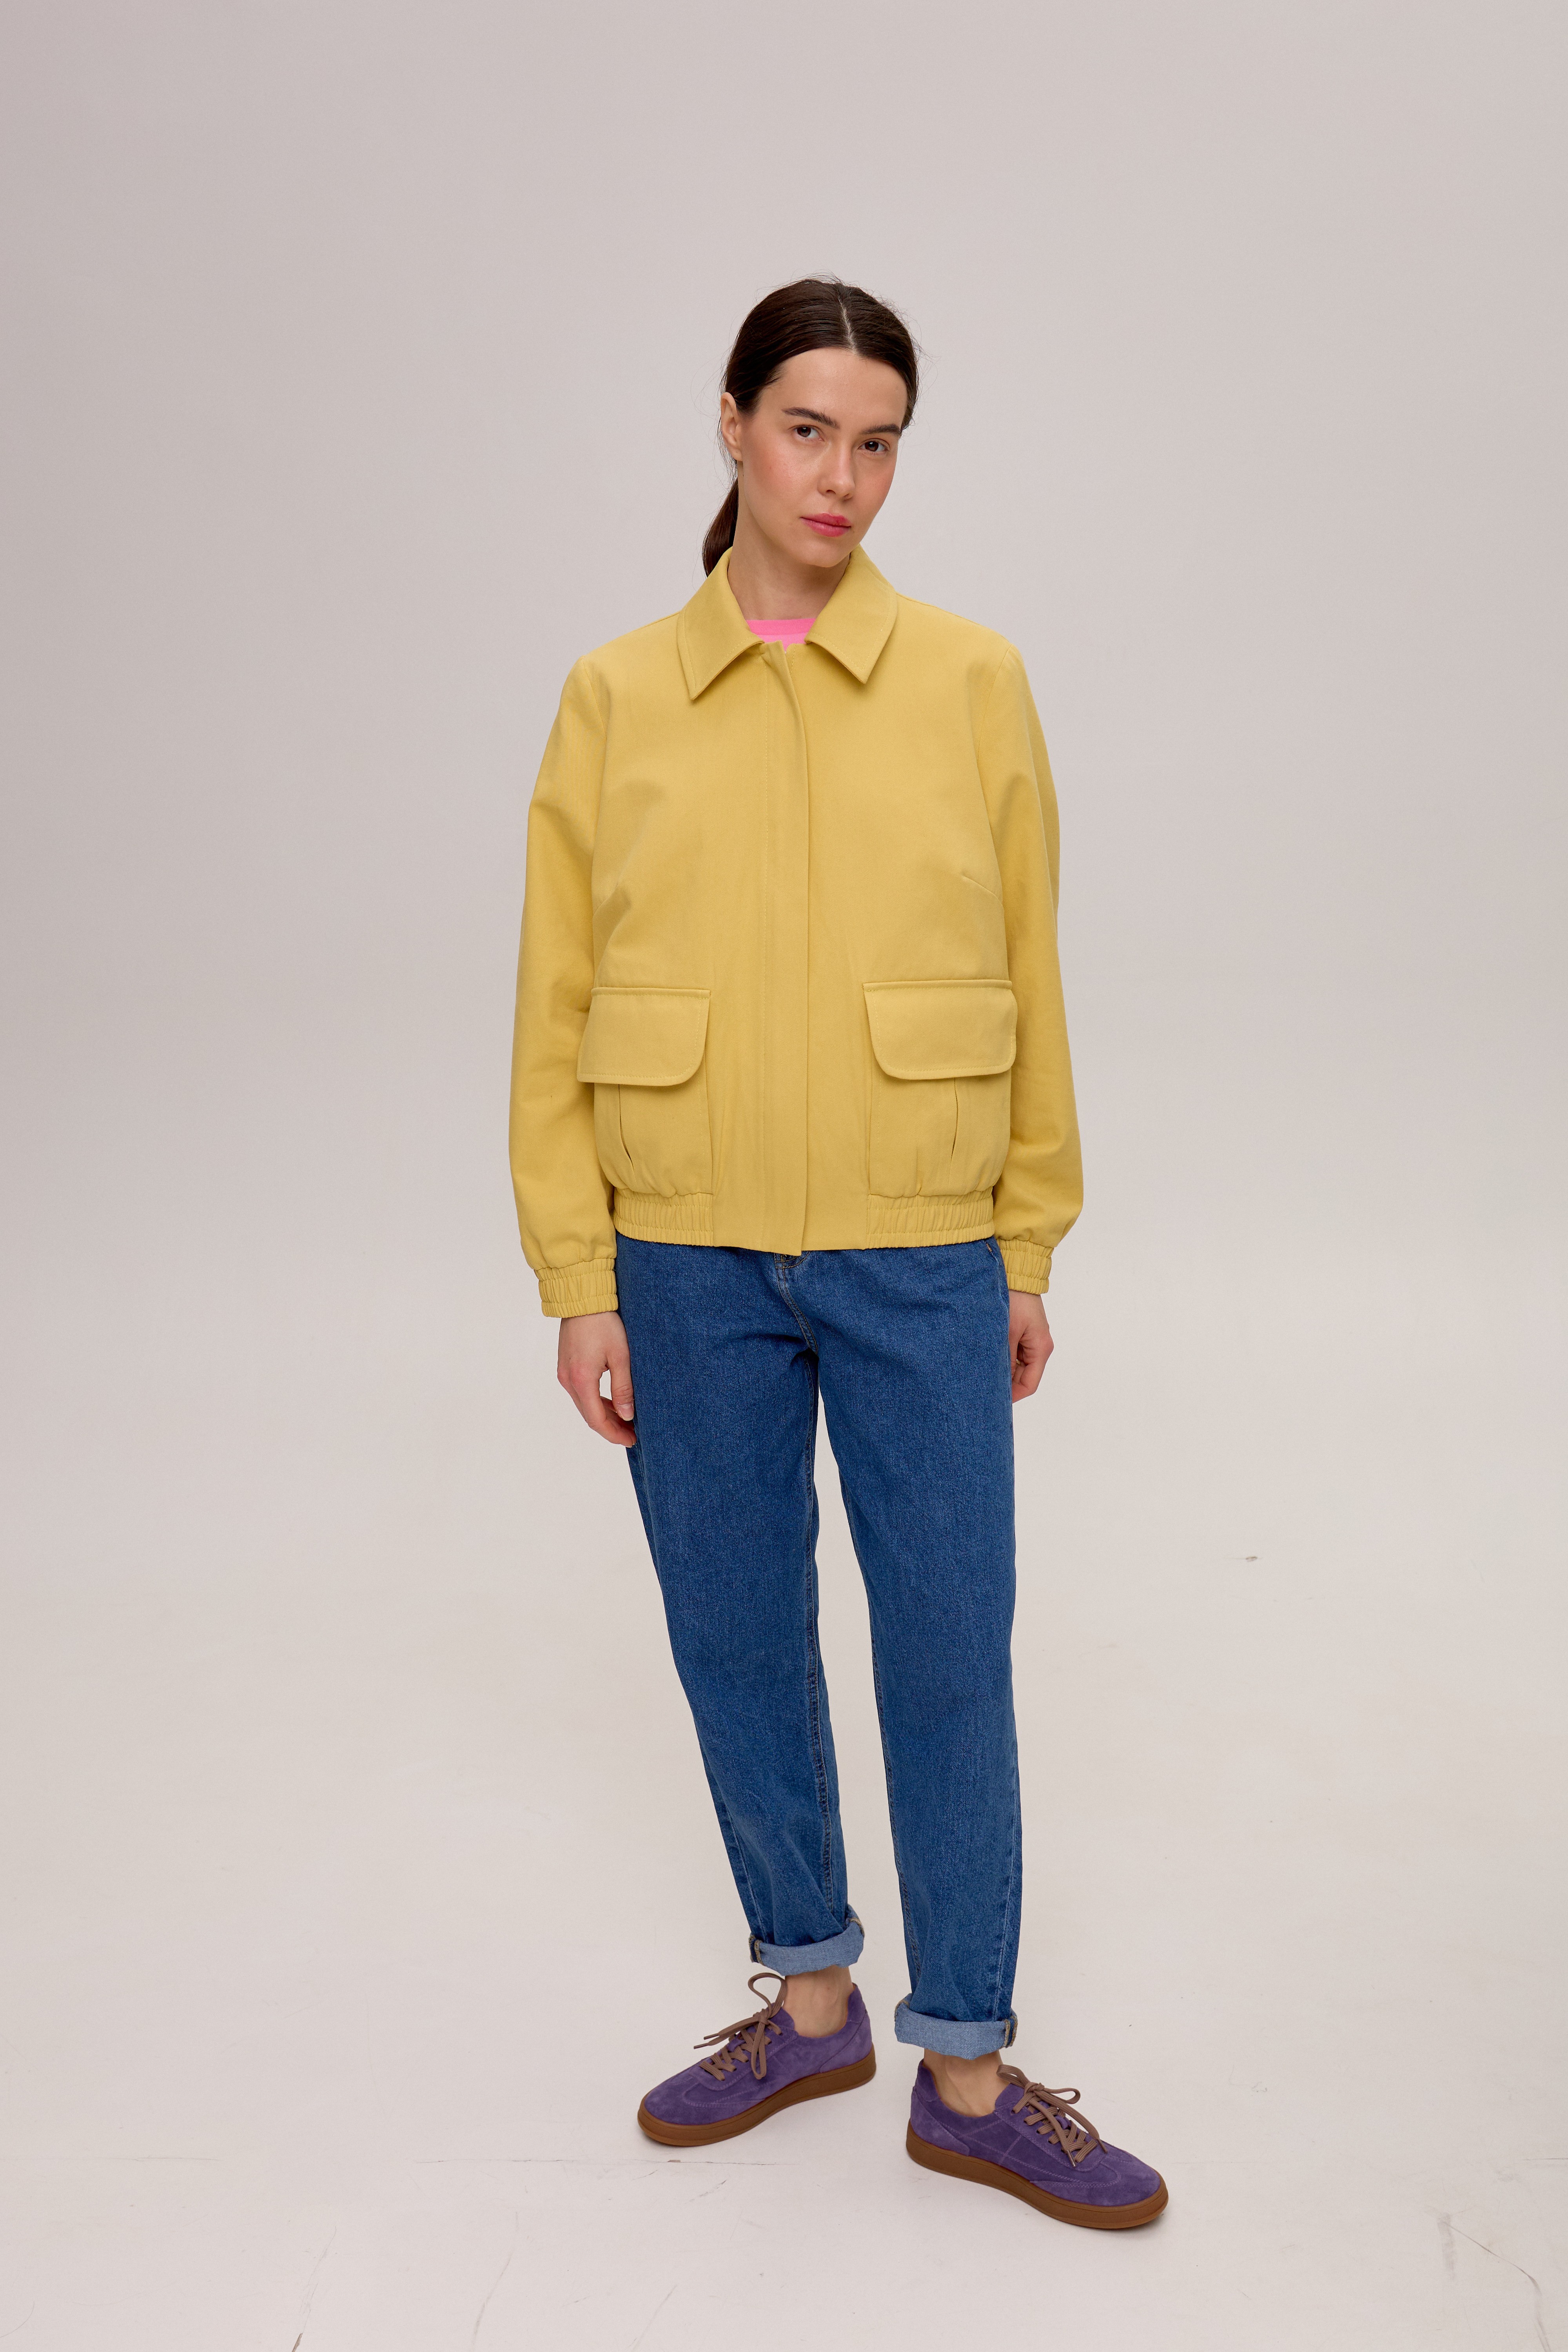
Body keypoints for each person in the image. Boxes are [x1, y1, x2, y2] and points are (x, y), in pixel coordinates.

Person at [508, 278, 1165, 2229]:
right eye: (807, 430)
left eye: (879, 443)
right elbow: (554, 1004)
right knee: (733, 1634)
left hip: (920, 1245)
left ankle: (965, 2062)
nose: (843, 478)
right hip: (683, 1252)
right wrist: (577, 1273)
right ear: (731, 426)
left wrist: (1024, 1239)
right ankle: (808, 2002)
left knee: (948, 1645)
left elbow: (1030, 967)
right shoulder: (616, 694)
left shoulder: (971, 679)